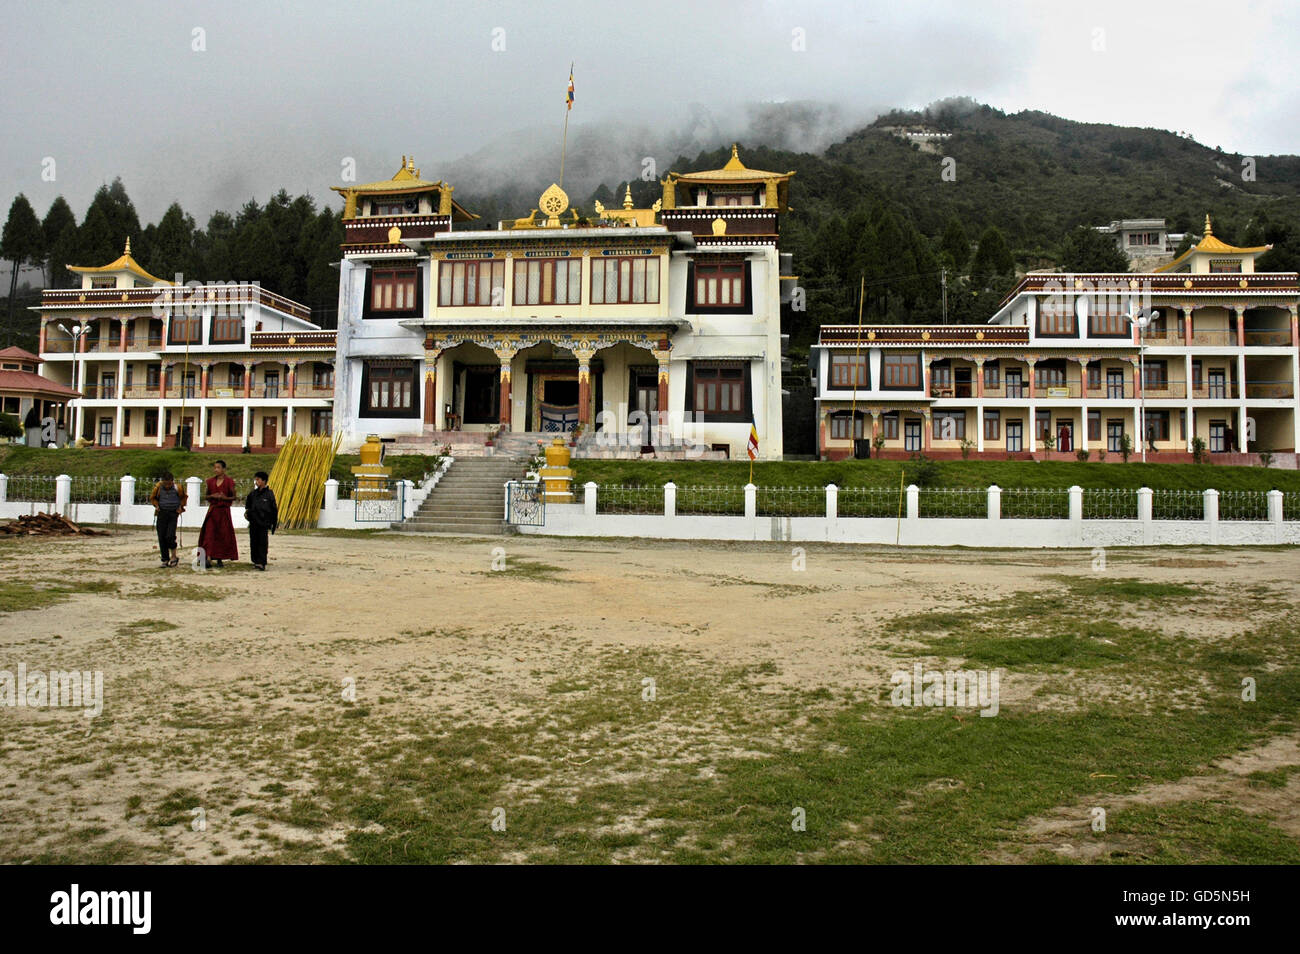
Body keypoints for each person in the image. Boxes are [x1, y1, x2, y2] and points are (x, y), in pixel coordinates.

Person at [197, 459, 238, 568]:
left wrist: (225, 498)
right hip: (213, 511)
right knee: (209, 534)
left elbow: (234, 497)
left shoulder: (229, 482)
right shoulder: (210, 481)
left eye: (218, 468)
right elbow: (206, 496)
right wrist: (212, 496)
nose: (216, 470)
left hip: (224, 512)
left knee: (222, 535)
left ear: (224, 469)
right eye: (215, 467)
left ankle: (219, 558)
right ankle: (208, 558)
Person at [148, 471, 187, 567]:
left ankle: (174, 556)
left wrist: (180, 507)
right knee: (161, 536)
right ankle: (165, 559)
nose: (167, 486)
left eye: (169, 484)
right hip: (162, 513)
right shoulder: (158, 487)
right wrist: (156, 505)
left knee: (170, 536)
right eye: (165, 484)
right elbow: (152, 498)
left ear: (172, 482)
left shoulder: (178, 488)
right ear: (162, 482)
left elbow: (183, 498)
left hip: (173, 514)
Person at [244, 471, 278, 571]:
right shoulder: (252, 494)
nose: (256, 481)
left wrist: (273, 522)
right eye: (256, 479)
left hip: (263, 522)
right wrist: (247, 514)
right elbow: (248, 506)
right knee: (253, 541)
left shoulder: (269, 494)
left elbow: (273, 509)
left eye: (258, 479)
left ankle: (261, 562)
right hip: (253, 522)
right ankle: (255, 560)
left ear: (264, 481)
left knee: (262, 542)